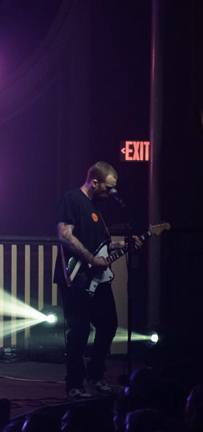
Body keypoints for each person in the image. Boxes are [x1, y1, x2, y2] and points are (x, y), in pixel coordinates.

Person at [54, 161, 138, 400]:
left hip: (98, 280)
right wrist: (91, 259)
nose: (111, 193)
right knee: (79, 331)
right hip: (76, 277)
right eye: (108, 188)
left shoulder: (96, 209)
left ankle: (95, 375)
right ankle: (74, 384)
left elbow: (101, 245)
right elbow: (65, 235)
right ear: (95, 181)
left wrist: (123, 244)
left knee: (108, 325)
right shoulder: (71, 199)